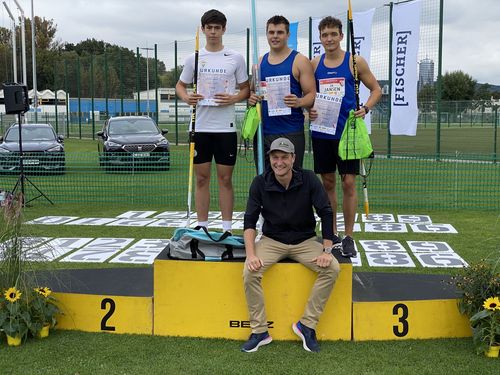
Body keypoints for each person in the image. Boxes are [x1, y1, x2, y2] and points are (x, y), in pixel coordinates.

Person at [241, 137, 340, 353]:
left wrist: (326, 249)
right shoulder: (259, 182)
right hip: (272, 241)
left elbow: (326, 211)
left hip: (304, 241)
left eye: (284, 157)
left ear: (293, 158)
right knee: (250, 273)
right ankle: (259, 332)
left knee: (332, 268)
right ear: (269, 159)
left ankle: (307, 325)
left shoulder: (309, 179)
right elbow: (249, 221)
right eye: (275, 157)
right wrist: (251, 255)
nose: (279, 162)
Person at [309, 16, 382, 257]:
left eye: (333, 34)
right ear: (320, 38)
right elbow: (306, 94)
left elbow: (376, 89)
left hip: (347, 134)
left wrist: (366, 108)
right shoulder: (314, 63)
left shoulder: (354, 62)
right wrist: (306, 109)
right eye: (324, 35)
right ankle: (333, 232)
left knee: (348, 183)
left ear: (341, 36)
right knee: (327, 183)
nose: (329, 39)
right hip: (322, 131)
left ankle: (349, 236)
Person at [176, 9, 250, 233]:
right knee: (201, 178)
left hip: (225, 129)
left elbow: (246, 89)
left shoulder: (235, 57)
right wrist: (187, 97)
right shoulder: (194, 58)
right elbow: (181, 85)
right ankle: (202, 226)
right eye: (210, 28)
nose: (214, 32)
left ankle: (227, 228)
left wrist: (234, 97)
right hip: (200, 127)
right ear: (203, 29)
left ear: (224, 29)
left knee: (225, 179)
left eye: (218, 28)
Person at [248, 15, 316, 170]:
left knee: (292, 180)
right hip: (263, 132)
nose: (275, 36)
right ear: (266, 34)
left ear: (287, 34)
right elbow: (252, 92)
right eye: (271, 32)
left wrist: (299, 102)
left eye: (279, 32)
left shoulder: (299, 61)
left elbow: (311, 95)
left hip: (290, 131)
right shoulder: (260, 62)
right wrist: (251, 98)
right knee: (265, 181)